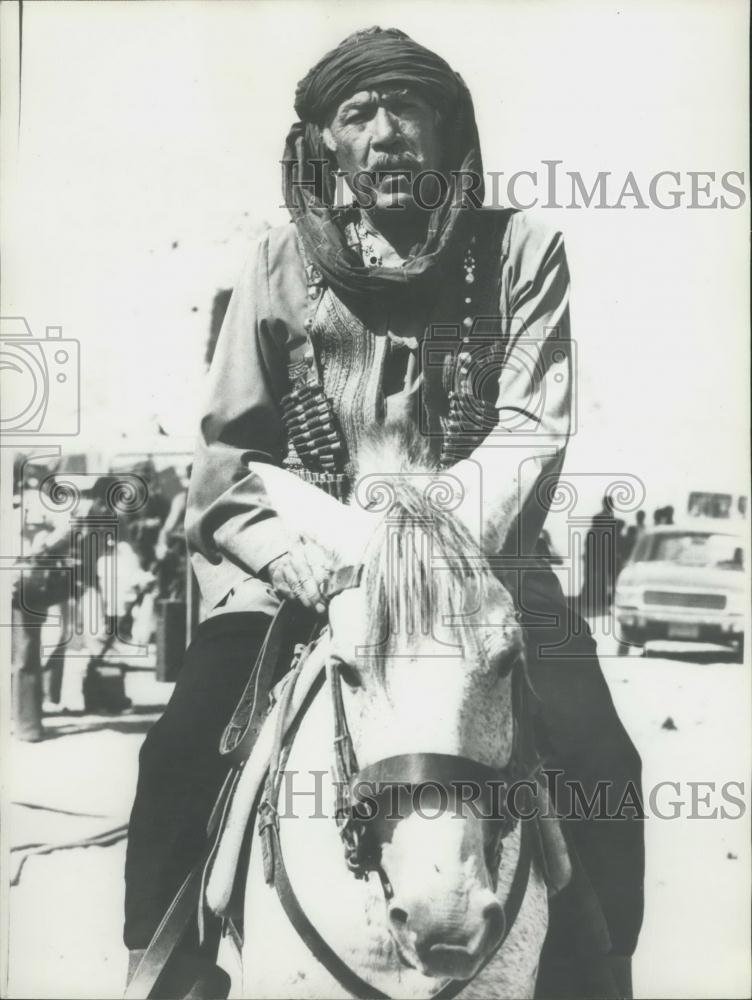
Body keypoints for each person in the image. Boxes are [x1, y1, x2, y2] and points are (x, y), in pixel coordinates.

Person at [124, 27, 643, 999]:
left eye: (409, 108)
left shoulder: (519, 251)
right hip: (306, 570)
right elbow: (230, 467)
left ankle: (598, 968)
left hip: (488, 567)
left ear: (448, 133)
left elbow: (533, 426)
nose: (386, 131)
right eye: (357, 112)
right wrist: (306, 562)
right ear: (321, 141)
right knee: (177, 751)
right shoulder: (273, 269)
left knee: (600, 753)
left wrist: (422, 540)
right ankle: (159, 967)